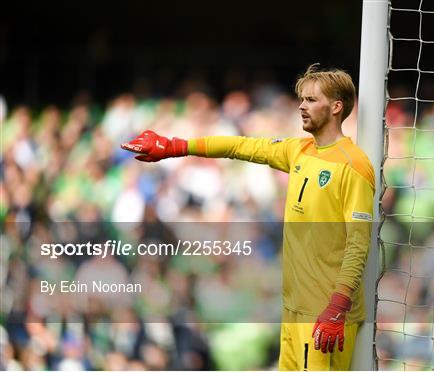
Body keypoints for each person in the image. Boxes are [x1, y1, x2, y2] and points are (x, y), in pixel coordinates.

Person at [121, 64, 375, 371]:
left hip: (326, 311)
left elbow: (358, 245)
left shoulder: (354, 166)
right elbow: (240, 146)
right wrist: (178, 146)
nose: (301, 106)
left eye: (311, 100)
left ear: (336, 107)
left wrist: (338, 305)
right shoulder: (300, 151)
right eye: (301, 99)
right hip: (296, 307)